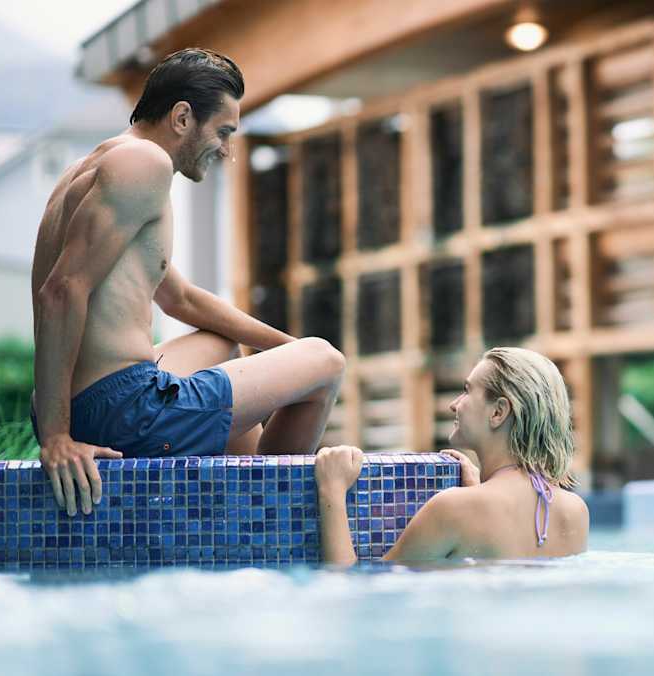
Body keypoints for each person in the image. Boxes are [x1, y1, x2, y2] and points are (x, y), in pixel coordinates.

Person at [31, 48, 346, 518]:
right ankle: (264, 517)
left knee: (221, 345)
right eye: (223, 132)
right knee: (327, 362)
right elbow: (62, 290)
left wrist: (286, 351)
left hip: (90, 402)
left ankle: (233, 492)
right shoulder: (145, 165)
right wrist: (57, 438)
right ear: (182, 118)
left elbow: (179, 299)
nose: (227, 149)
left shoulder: (97, 164)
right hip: (123, 410)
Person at [314, 347, 589, 562]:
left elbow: (359, 589)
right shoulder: (575, 511)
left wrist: (332, 491)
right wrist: (478, 489)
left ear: (498, 412)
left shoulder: (454, 508)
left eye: (467, 391)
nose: (454, 404)